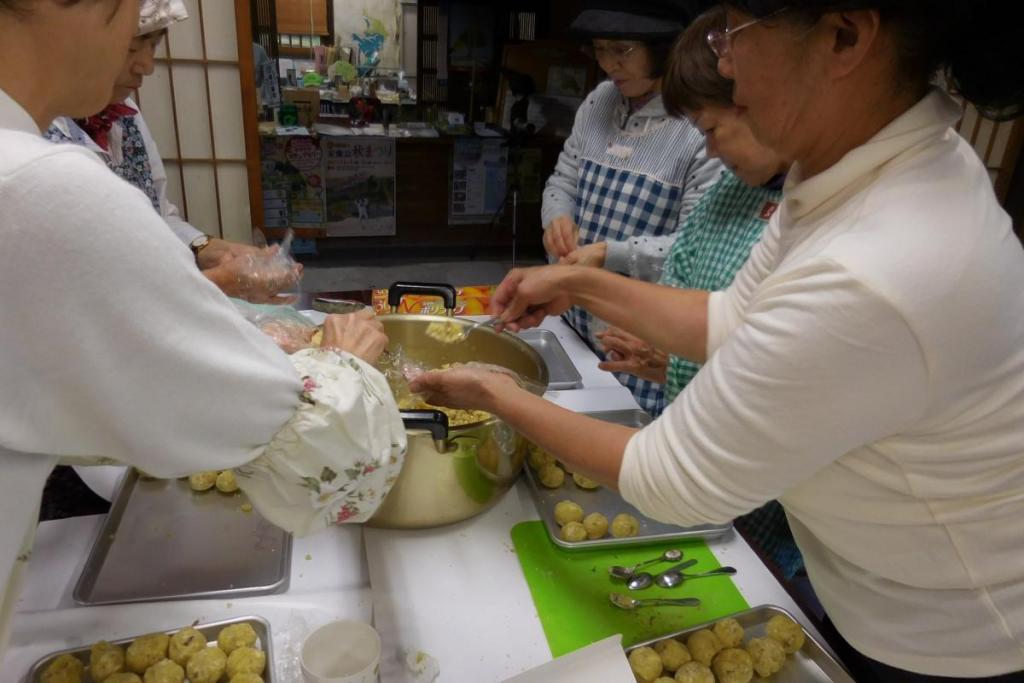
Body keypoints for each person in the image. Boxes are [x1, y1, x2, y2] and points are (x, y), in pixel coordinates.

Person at [412, 1, 1024, 680]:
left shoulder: (881, 264)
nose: (724, 59)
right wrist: (583, 285)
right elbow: (731, 319)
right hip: (874, 584)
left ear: (843, 37)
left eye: (734, 31)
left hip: (952, 634)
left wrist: (498, 394)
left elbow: (673, 480)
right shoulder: (844, 176)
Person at [0, 0, 405, 659]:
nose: (145, 59)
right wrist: (346, 363)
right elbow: (329, 460)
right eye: (135, 23)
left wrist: (212, 254)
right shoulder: (37, 187)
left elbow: (149, 229)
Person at [597, 6, 802, 578]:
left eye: (712, 130)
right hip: (697, 441)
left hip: (762, 486)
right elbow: (698, 295)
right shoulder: (734, 188)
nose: (709, 152)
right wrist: (666, 360)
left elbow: (770, 366)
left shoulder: (810, 211)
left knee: (750, 569)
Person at [45, 0, 299, 304]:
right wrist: (216, 284)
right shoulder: (33, 143)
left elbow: (156, 216)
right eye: (131, 47)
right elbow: (74, 293)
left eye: (153, 46)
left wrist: (209, 248)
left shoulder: (125, 115)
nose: (146, 66)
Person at [541, 0, 724, 415]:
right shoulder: (599, 101)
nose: (608, 64)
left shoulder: (699, 123)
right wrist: (557, 217)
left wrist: (610, 254)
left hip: (641, 337)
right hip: (574, 313)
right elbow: (563, 179)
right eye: (600, 48)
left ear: (664, 47)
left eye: (621, 50)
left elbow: (692, 247)